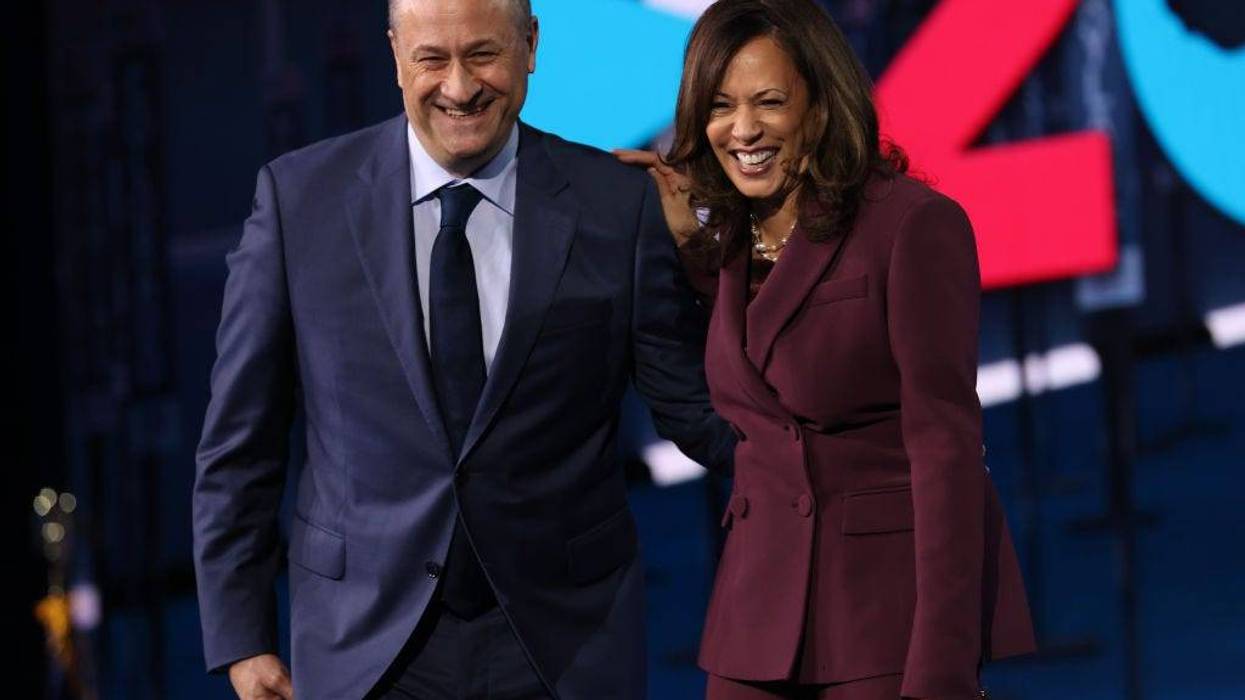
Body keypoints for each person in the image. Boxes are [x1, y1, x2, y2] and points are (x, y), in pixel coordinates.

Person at [191, 0, 734, 698]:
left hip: (565, 643)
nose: (458, 87)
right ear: (394, 56)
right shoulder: (300, 202)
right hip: (363, 648)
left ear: (530, 46)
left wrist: (840, 459)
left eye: (482, 54)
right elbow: (241, 443)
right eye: (431, 59)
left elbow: (693, 409)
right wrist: (243, 639)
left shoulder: (614, 203)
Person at [616, 0, 1036, 697]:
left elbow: (946, 456)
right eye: (719, 105)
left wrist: (941, 667)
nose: (741, 129)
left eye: (769, 101)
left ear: (819, 107)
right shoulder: (724, 242)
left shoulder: (911, 228)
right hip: (754, 619)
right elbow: (748, 388)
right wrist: (695, 252)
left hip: (881, 621)